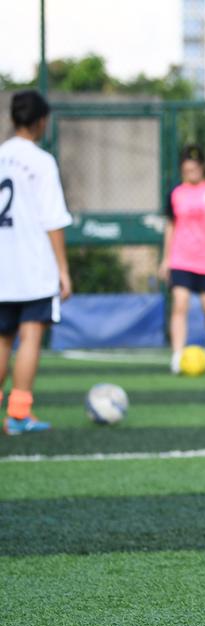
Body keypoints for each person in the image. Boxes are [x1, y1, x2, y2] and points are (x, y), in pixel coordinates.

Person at [0, 90, 72, 435]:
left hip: (2, 266)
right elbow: (52, 220)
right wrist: (63, 270)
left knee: (1, 340)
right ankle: (17, 415)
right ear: (42, 121)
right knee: (30, 337)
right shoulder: (42, 161)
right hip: (32, 267)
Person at [158, 145, 205, 374]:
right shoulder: (176, 193)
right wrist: (166, 259)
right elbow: (170, 226)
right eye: (187, 168)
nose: (191, 172)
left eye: (195, 168)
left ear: (202, 167)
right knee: (179, 304)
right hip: (181, 259)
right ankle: (177, 354)